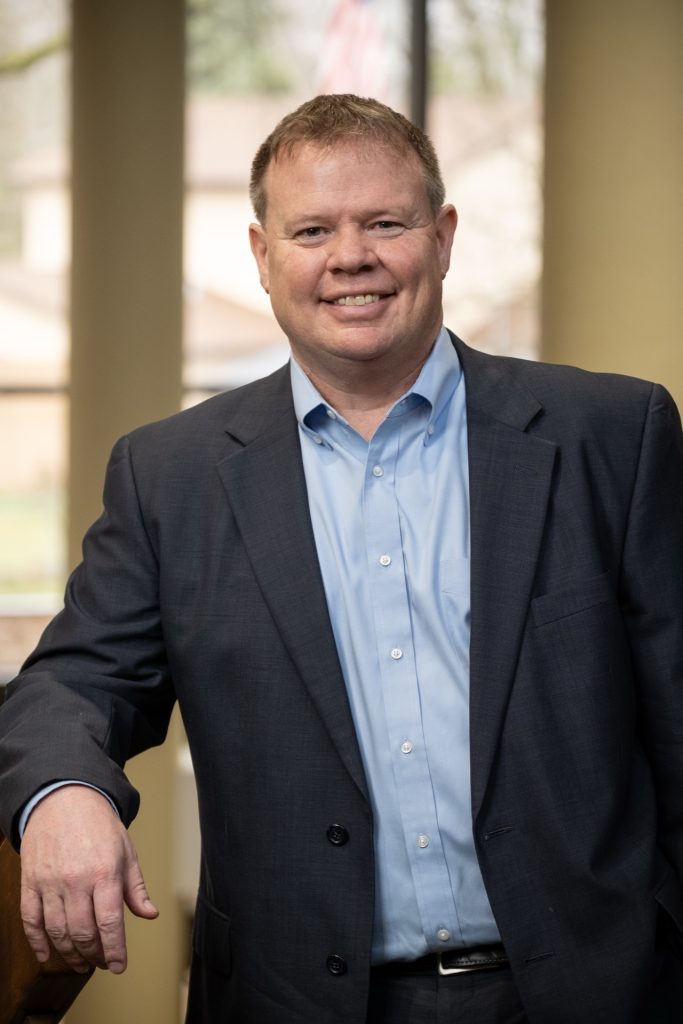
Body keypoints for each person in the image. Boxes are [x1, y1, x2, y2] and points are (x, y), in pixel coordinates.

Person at [0, 93, 682, 1024]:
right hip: (297, 1000)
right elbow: (74, 683)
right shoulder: (173, 477)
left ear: (441, 237)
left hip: (594, 994)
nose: (349, 257)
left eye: (385, 223)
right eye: (312, 228)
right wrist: (62, 791)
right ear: (262, 255)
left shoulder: (612, 434)